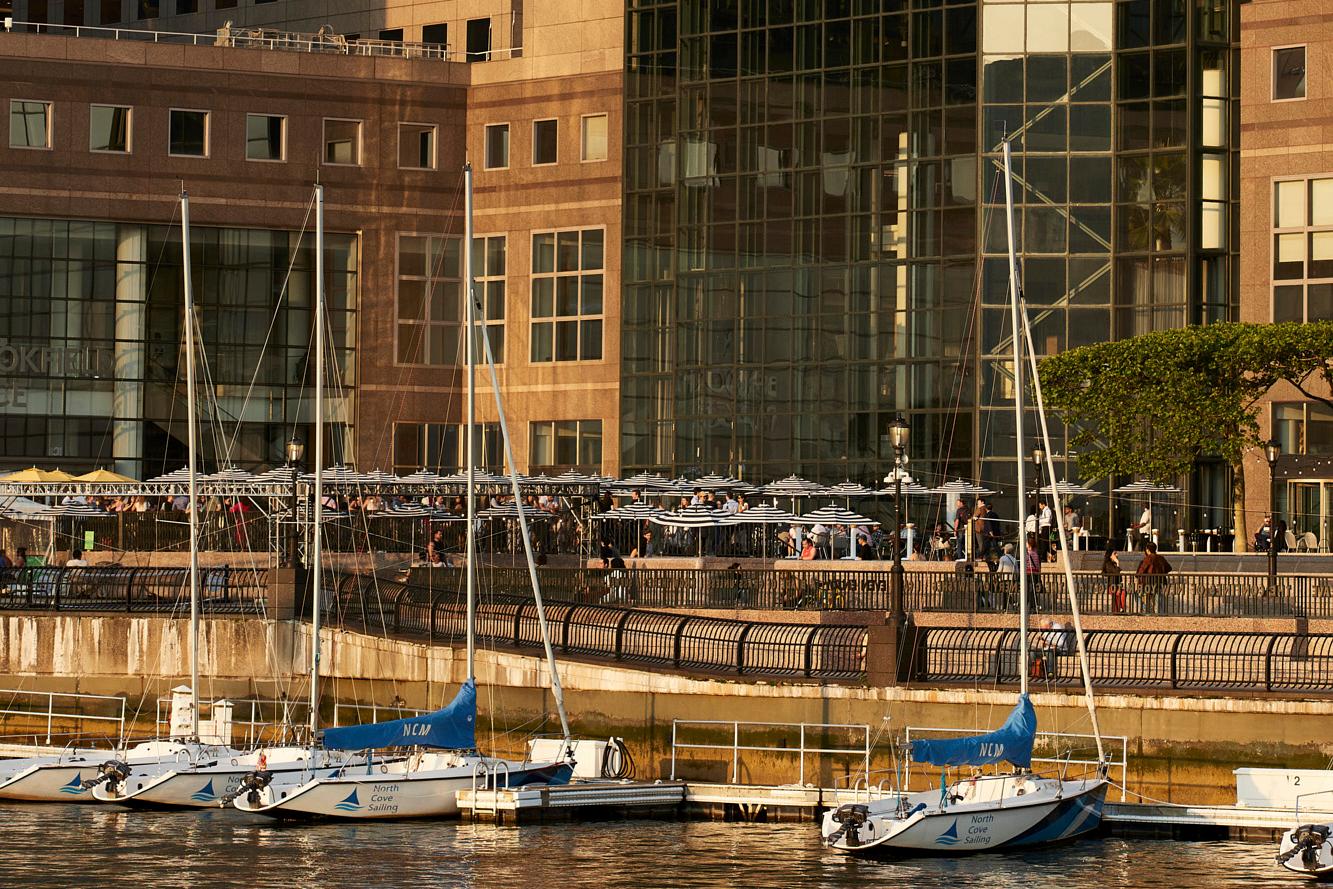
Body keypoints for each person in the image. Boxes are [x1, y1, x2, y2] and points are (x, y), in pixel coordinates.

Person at [1136, 540, 1173, 613]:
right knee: (1158, 598)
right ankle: (1159, 612)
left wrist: (1138, 576)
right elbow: (1169, 568)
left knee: (1138, 595)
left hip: (1147, 584)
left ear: (1147, 550)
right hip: (1159, 583)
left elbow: (1140, 572)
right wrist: (1161, 572)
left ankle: (1144, 611)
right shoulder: (1161, 558)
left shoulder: (1148, 558)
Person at [1102, 543, 1125, 613]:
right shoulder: (1108, 564)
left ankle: (1120, 609)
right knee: (1118, 596)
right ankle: (1117, 610)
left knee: (1122, 593)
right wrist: (1118, 563)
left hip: (1117, 585)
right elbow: (1116, 572)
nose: (1117, 555)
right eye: (1115, 553)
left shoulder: (1113, 563)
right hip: (1112, 585)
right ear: (1110, 556)